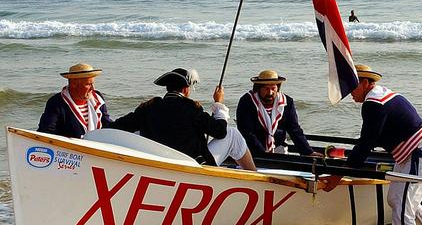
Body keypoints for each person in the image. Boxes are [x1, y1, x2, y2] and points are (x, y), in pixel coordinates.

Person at [321, 64, 422, 225]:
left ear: (365, 83)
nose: (348, 92)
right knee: (396, 199)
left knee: (402, 204)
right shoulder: (381, 95)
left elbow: (365, 144)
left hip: (417, 153)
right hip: (417, 152)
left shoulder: (373, 103)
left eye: (351, 86)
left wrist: (337, 175)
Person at [112, 68, 255, 170]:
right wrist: (218, 104)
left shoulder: (148, 108)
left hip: (157, 164)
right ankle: (254, 176)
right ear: (186, 90)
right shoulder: (191, 108)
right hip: (191, 167)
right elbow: (220, 132)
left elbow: (118, 127)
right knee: (232, 134)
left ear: (167, 88)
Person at [236, 69, 323, 157]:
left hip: (279, 147)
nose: (270, 93)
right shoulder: (247, 101)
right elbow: (247, 132)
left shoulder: (287, 102)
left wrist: (308, 152)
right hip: (252, 150)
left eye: (273, 89)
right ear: (258, 88)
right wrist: (263, 155)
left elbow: (294, 129)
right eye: (266, 89)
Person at [38, 63, 112, 138]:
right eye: (88, 84)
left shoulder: (97, 98)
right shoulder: (56, 102)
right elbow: (45, 132)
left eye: (92, 84)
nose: (92, 88)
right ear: (73, 84)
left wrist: (123, 122)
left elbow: (106, 125)